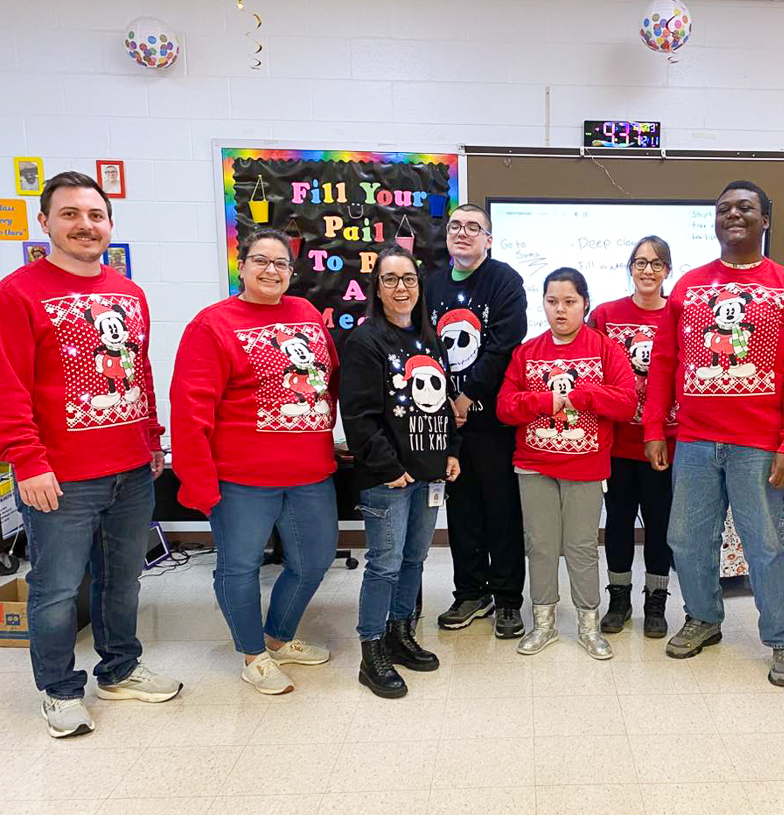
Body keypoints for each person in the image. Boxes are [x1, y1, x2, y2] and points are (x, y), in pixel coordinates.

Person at [0, 171, 181, 738]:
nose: (85, 225)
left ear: (109, 223)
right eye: (71, 214)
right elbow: (9, 383)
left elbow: (138, 369)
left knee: (122, 580)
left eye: (95, 215)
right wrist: (26, 459)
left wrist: (151, 436)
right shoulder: (19, 291)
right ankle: (58, 690)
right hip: (61, 476)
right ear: (46, 222)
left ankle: (120, 669)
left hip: (131, 468)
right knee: (55, 590)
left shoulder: (129, 293)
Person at [643, 180, 784, 686]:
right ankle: (703, 618)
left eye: (745, 208)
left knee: (764, 545)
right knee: (686, 538)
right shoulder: (689, 286)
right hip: (695, 441)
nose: (733, 215)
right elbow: (664, 363)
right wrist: (655, 428)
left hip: (759, 445)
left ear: (765, 220)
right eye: (723, 209)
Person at [171, 228, 338, 696]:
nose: (271, 270)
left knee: (315, 559)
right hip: (243, 479)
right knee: (239, 566)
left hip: (310, 471)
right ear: (240, 266)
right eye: (259, 260)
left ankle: (278, 638)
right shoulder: (212, 325)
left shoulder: (306, 313)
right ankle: (252, 654)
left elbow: (329, 380)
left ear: (291, 271)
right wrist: (198, 481)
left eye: (281, 263)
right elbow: (190, 409)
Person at [497, 268, 637, 658]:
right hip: (533, 465)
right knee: (540, 546)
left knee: (581, 547)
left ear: (585, 303)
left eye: (570, 302)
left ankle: (588, 626)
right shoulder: (526, 352)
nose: (560, 310)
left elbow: (626, 403)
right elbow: (505, 408)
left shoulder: (605, 348)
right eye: (552, 301)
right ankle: (543, 624)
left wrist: (586, 396)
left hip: (586, 467)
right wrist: (544, 401)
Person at [340, 246, 461, 698]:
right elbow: (357, 414)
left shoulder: (428, 338)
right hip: (389, 479)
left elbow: (443, 404)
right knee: (385, 566)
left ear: (418, 285)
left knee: (414, 560)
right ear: (377, 288)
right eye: (390, 279)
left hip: (428, 473)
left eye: (408, 278)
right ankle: (371, 651)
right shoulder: (366, 340)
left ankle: (399, 633)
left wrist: (451, 449)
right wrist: (387, 466)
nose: (400, 287)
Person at [426, 204, 528, 638]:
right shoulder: (430, 285)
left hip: (491, 422)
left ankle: (507, 599)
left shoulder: (504, 281)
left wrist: (467, 396)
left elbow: (505, 343)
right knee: (461, 511)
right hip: (442, 422)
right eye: (455, 227)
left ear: (489, 238)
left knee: (502, 512)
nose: (462, 233)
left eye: (473, 227)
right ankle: (470, 592)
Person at [588, 236, 677, 638]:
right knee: (619, 523)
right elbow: (590, 369)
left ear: (667, 271)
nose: (647, 270)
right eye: (640, 262)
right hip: (618, 444)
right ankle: (619, 597)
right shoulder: (606, 315)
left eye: (656, 264)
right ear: (629, 268)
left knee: (660, 526)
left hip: (665, 444)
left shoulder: (679, 314)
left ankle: (656, 600)